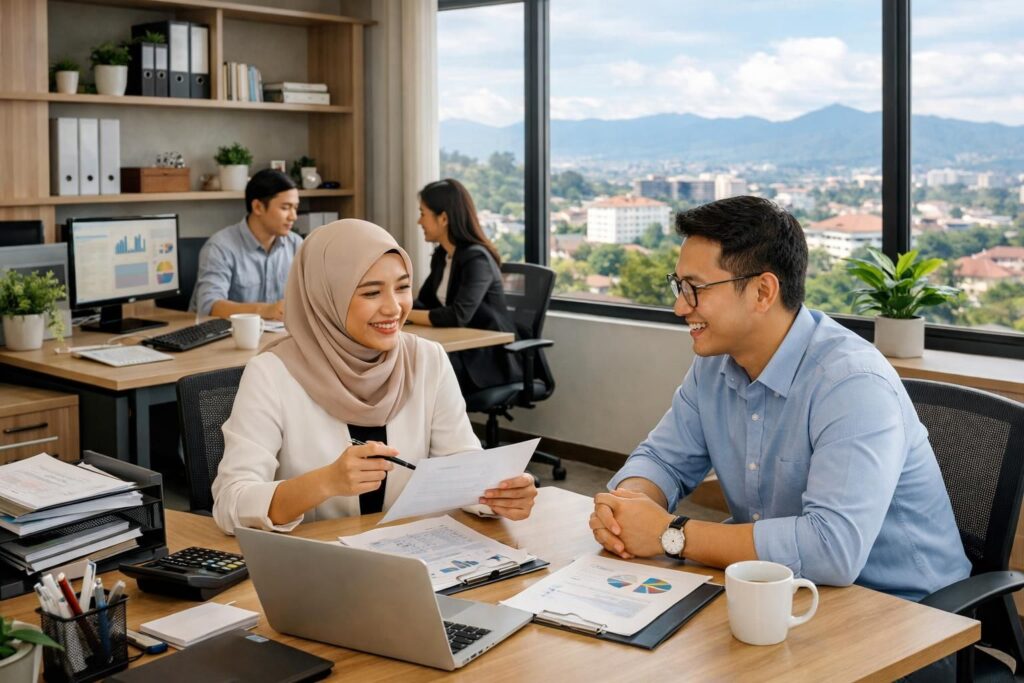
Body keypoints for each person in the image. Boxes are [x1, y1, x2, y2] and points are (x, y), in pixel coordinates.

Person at [590, 196, 970, 604]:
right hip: (784, 592)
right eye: (678, 285)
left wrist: (672, 534)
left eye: (694, 289)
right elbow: (663, 459)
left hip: (908, 615)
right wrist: (627, 508)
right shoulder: (715, 366)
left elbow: (832, 549)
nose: (680, 306)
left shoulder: (851, 383)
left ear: (762, 291)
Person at [211, 218, 537, 534]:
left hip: (412, 557)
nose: (394, 308)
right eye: (371, 293)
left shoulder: (426, 359)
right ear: (326, 297)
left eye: (403, 288)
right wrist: (325, 482)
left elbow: (460, 461)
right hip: (316, 566)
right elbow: (231, 502)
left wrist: (498, 495)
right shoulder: (272, 372)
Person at [406, 179, 520, 394]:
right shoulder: (443, 256)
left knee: (421, 374)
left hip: (486, 357)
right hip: (460, 351)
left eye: (423, 213)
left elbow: (459, 315)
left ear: (444, 218)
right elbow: (425, 302)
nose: (419, 222)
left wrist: (406, 314)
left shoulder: (477, 259)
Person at [190, 169, 302, 321]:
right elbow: (209, 307)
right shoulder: (219, 247)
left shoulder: (297, 244)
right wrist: (267, 310)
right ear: (258, 207)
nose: (293, 217)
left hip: (276, 337)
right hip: (227, 339)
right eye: (285, 207)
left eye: (295, 208)